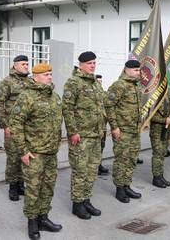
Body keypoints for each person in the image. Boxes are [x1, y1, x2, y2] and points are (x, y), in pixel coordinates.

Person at [9, 63, 63, 240]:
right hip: (34, 153)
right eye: (46, 74)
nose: (50, 77)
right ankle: (32, 223)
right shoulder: (27, 97)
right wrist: (23, 151)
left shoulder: (54, 96)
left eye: (50, 73)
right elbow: (16, 124)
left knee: (48, 188)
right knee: (33, 189)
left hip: (51, 152)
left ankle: (43, 218)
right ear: (36, 77)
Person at [62, 51, 106, 219]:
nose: (93, 66)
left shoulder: (95, 83)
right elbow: (67, 108)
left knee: (92, 170)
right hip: (81, 136)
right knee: (80, 171)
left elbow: (101, 105)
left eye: (94, 63)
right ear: (80, 65)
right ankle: (77, 204)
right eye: (89, 63)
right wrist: (72, 131)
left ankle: (86, 200)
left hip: (95, 135)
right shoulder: (74, 82)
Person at [105, 59, 143, 203]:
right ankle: (119, 189)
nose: (138, 72)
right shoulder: (119, 85)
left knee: (132, 159)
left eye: (139, 70)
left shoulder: (136, 86)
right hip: (123, 130)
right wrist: (114, 126)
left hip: (134, 130)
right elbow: (108, 105)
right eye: (135, 70)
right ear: (126, 70)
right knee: (122, 159)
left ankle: (127, 185)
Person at [0, 55, 31, 201]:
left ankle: (21, 184)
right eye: (23, 64)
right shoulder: (7, 82)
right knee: (13, 158)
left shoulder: (30, 82)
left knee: (25, 156)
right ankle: (12, 187)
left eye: (27, 64)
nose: (26, 66)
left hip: (28, 127)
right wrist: (5, 125)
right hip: (13, 127)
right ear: (15, 66)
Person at [149, 98, 170, 188]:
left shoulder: (166, 99)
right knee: (157, 154)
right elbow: (151, 116)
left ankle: (160, 175)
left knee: (162, 153)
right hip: (156, 132)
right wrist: (164, 120)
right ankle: (156, 178)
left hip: (164, 131)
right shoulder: (154, 99)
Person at [95, 74, 109, 176]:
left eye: (101, 82)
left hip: (103, 126)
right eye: (98, 82)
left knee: (101, 146)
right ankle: (94, 166)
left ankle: (99, 164)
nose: (100, 83)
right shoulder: (92, 95)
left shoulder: (104, 94)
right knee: (95, 147)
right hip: (94, 127)